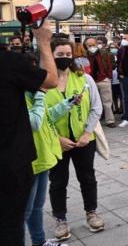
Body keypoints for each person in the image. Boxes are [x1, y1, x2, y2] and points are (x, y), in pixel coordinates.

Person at [0, 20, 57, 245]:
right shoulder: (7, 62)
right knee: (11, 226)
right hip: (11, 164)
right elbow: (50, 80)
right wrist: (43, 42)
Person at [45, 38, 104, 241]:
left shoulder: (84, 79)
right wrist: (57, 138)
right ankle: (60, 219)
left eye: (68, 55)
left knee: (87, 177)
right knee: (58, 182)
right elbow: (41, 115)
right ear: (51, 55)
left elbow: (97, 107)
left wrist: (87, 133)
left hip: (83, 139)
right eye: (59, 55)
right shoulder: (43, 83)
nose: (64, 58)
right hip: (56, 142)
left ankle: (91, 213)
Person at [23, 53, 68, 246]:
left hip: (43, 158)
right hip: (29, 162)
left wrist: (67, 104)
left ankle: (39, 241)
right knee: (23, 211)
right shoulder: (19, 97)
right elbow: (34, 122)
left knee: (37, 207)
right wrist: (41, 95)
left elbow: (46, 118)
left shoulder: (32, 95)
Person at [84, 37, 115, 128]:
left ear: (97, 44)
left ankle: (110, 120)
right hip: (90, 81)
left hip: (103, 79)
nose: (91, 47)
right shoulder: (85, 55)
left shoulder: (104, 53)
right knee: (92, 102)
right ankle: (93, 121)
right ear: (86, 46)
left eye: (93, 45)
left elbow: (109, 65)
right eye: (89, 45)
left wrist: (108, 77)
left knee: (107, 101)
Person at [108, 43, 122, 116]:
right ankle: (116, 108)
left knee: (121, 95)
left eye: (114, 47)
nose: (112, 49)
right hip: (112, 79)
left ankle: (121, 108)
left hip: (119, 79)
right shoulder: (108, 56)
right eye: (111, 47)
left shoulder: (120, 56)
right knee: (114, 95)